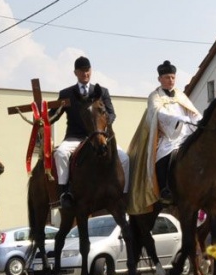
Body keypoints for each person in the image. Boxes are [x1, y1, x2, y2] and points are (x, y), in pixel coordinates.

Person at [51, 56, 130, 209]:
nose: (85, 74)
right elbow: (54, 114)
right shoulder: (66, 93)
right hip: (75, 137)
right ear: (75, 73)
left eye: (88, 71)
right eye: (82, 72)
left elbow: (112, 114)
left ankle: (124, 195)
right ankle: (64, 192)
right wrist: (42, 120)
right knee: (60, 153)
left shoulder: (102, 92)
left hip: (99, 137)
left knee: (125, 158)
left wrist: (102, 128)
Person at [128, 60, 201, 214]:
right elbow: (158, 114)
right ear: (160, 79)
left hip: (186, 134)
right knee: (162, 156)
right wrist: (178, 119)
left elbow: (193, 113)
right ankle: (165, 189)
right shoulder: (154, 96)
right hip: (167, 137)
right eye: (167, 77)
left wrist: (199, 122)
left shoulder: (181, 95)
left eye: (173, 77)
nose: (171, 80)